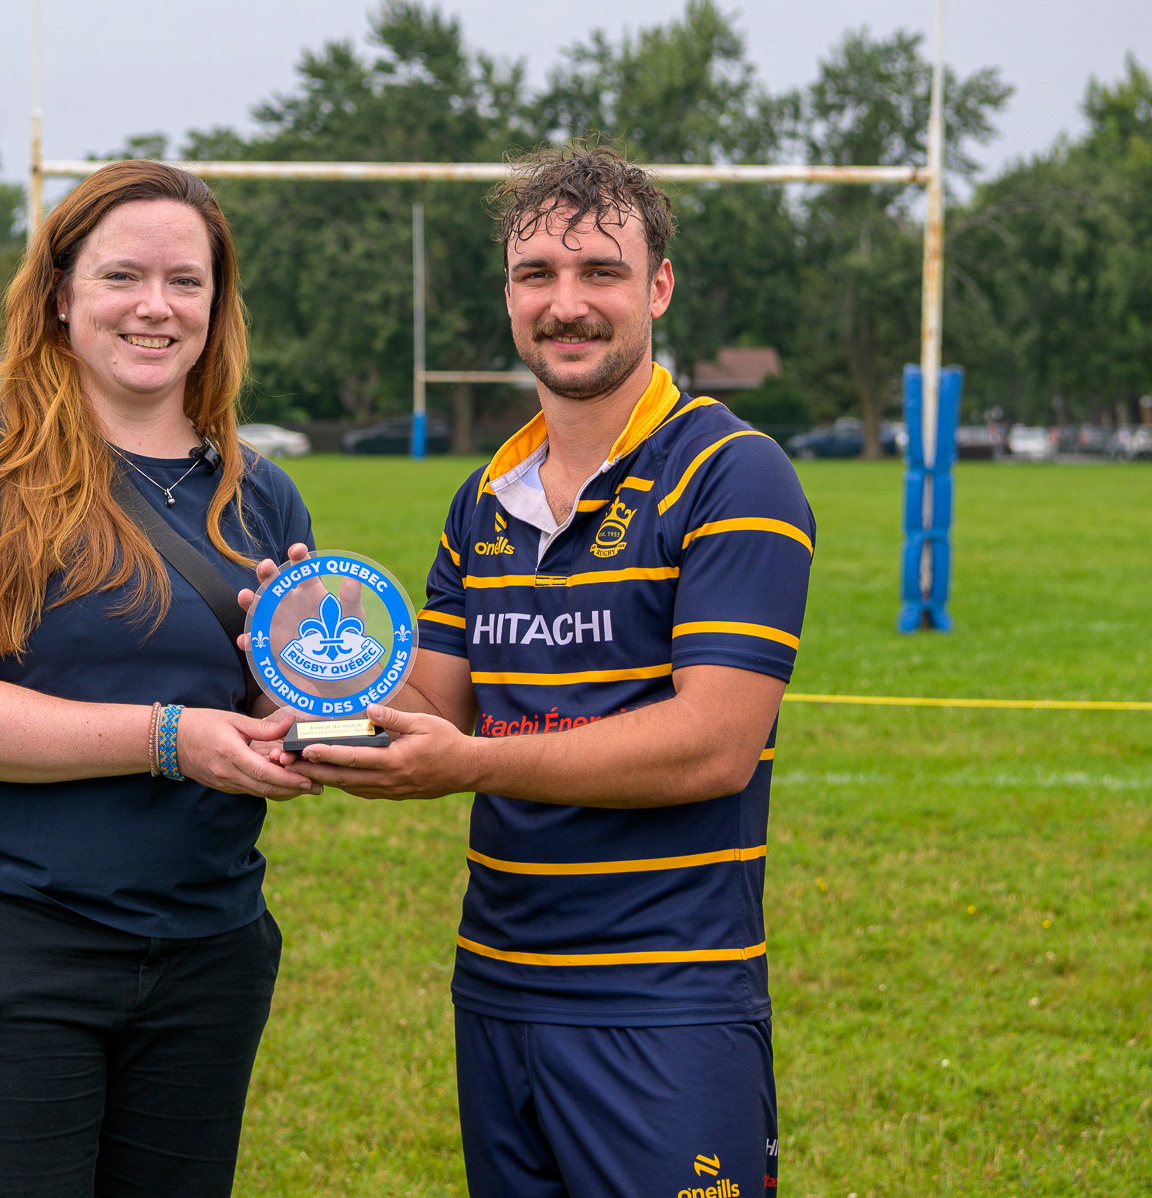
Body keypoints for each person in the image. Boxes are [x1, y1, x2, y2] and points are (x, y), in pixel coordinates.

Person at [283, 143, 814, 1197]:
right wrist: (310, 666)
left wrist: (474, 762)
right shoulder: (485, 494)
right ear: (510, 295)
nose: (566, 304)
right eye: (538, 275)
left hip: (662, 998)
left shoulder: (734, 472)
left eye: (600, 272)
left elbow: (713, 744)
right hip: (498, 988)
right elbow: (431, 704)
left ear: (657, 287)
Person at [0, 159, 319, 1198]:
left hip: (208, 953)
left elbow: (260, 707)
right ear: (61, 295)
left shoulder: (263, 496)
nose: (155, 307)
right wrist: (170, 737)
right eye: (122, 277)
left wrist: (291, 710)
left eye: (186, 281)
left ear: (218, 303)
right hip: (2, 947)